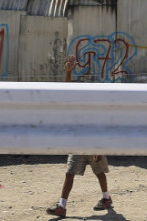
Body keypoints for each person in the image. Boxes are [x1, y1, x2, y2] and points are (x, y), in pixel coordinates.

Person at [46, 56, 113, 218]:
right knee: (70, 173)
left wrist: (99, 148)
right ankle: (62, 206)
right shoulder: (75, 105)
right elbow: (67, 91)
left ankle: (106, 198)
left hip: (93, 145)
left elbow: (102, 127)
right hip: (77, 144)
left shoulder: (95, 110)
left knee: (99, 172)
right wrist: (68, 72)